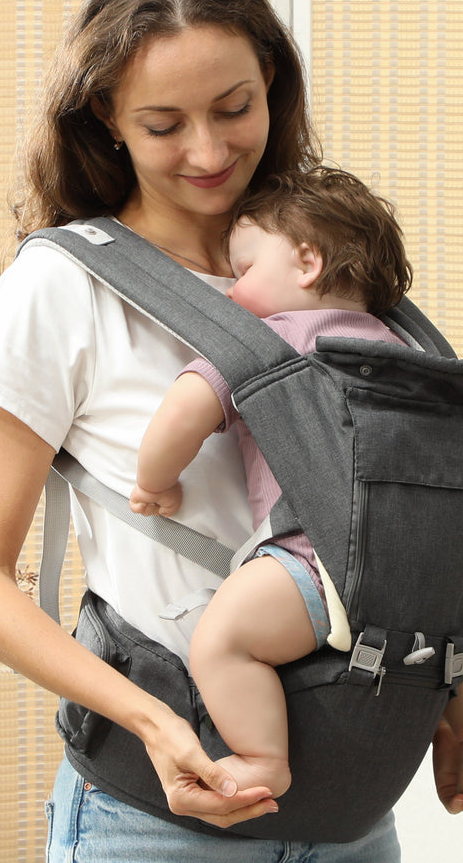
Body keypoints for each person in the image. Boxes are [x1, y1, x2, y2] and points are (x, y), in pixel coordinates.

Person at [0, 0, 463, 863]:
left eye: (234, 108)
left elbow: (398, 526)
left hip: (352, 821)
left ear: (272, 85)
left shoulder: (334, 280)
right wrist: (154, 725)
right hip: (156, 822)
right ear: (107, 116)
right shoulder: (62, 287)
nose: (209, 151)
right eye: (164, 123)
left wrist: (454, 705)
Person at [129, 166, 418, 798]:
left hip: (318, 560)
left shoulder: (272, 338)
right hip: (421, 567)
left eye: (245, 269)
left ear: (307, 263)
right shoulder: (408, 349)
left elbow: (184, 411)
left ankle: (262, 758)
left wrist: (156, 481)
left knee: (222, 641)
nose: (232, 290)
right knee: (449, 645)